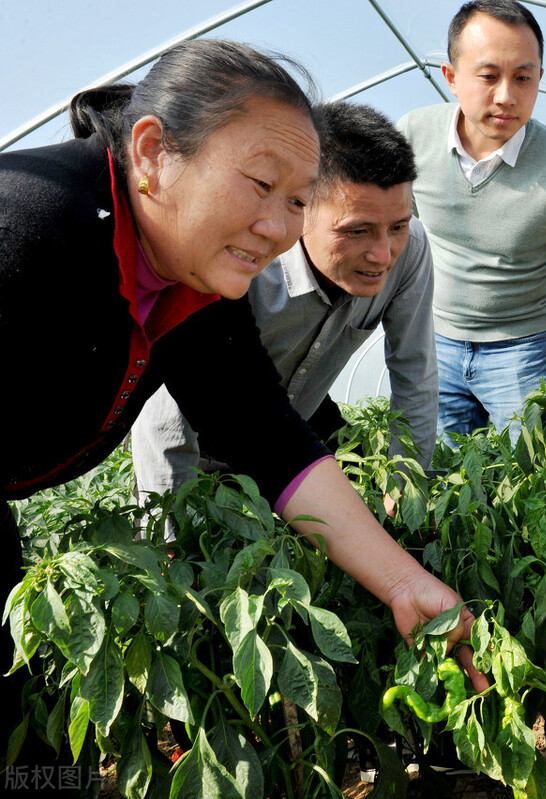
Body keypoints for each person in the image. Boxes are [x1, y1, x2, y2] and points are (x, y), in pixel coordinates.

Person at [0, 41, 484, 779]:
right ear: (154, 152)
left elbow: (269, 437)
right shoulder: (34, 228)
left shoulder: (186, 277)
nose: (277, 225)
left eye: (295, 199)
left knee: (22, 745)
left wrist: (403, 582)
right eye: (260, 183)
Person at [131, 100, 437, 524]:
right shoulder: (243, 263)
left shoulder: (412, 252)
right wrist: (170, 534)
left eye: (398, 226)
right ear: (301, 204)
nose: (382, 254)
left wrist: (406, 486)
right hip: (196, 463)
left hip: (291, 454)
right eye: (356, 231)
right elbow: (167, 415)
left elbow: (415, 372)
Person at [396, 0, 546, 441]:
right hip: (435, 343)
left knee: (534, 483)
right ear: (451, 77)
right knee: (435, 481)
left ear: (539, 80)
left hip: (523, 354)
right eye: (489, 76)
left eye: (523, 78)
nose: (506, 96)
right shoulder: (413, 136)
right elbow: (395, 234)